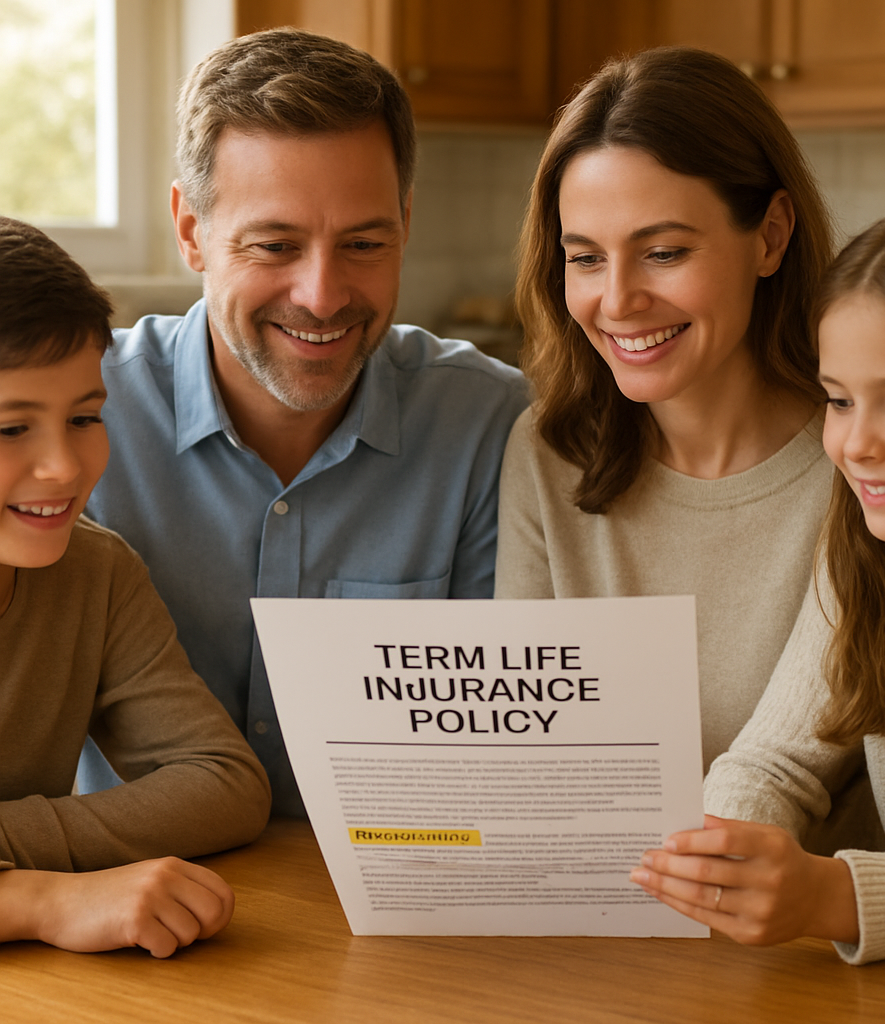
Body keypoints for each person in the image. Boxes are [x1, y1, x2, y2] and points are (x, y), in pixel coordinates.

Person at [81, 29, 529, 816]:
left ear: (406, 220)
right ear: (192, 231)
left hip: (402, 893)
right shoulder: (79, 416)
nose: (322, 296)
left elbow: (502, 756)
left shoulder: (492, 427)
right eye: (275, 244)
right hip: (124, 898)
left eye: (363, 242)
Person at [631, 188, 885, 964]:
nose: (854, 445)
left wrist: (834, 897)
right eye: (838, 401)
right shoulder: (863, 568)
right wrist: (725, 852)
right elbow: (777, 760)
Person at [496, 48, 875, 841]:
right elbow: (528, 756)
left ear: (770, 237)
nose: (619, 300)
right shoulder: (548, 449)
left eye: (665, 252)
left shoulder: (870, 457)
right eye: (586, 258)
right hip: (614, 914)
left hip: (822, 939)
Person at [0, 216, 271, 957]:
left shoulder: (95, 572)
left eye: (84, 416)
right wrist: (38, 899)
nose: (63, 466)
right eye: (10, 429)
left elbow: (224, 785)